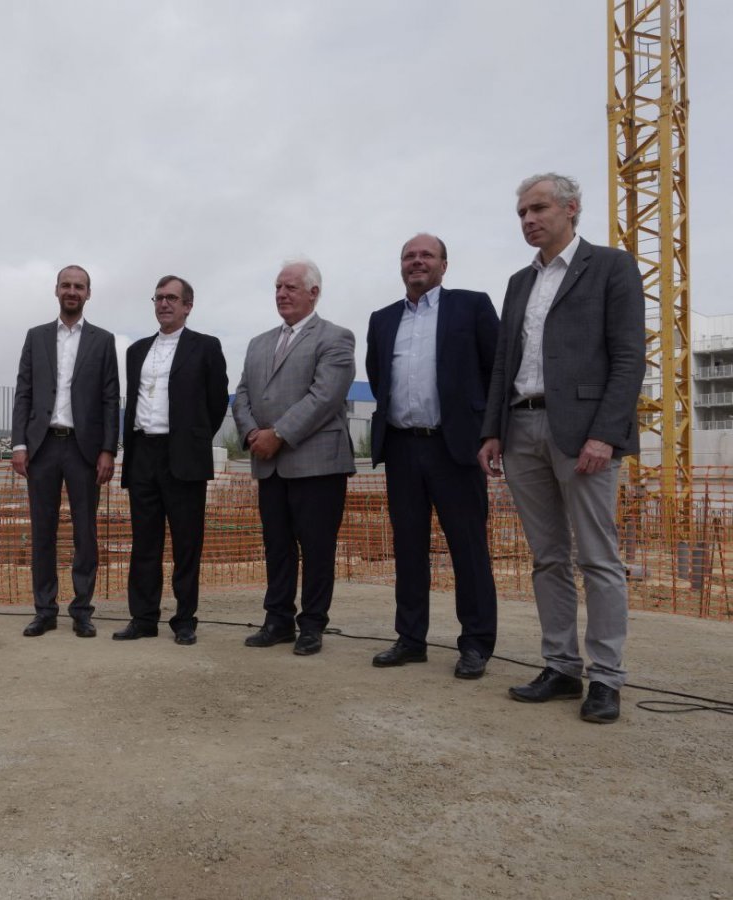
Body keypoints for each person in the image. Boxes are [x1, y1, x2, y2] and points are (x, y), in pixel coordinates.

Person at [478, 173, 645, 723]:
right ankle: (560, 666)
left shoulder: (612, 267)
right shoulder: (517, 283)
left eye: (539, 208)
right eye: (522, 212)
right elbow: (505, 361)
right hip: (522, 428)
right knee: (546, 557)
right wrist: (492, 430)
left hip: (583, 432)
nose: (528, 219)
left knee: (599, 558)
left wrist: (606, 433)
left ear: (571, 209)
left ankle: (607, 678)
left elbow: (627, 357)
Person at [365, 234, 499, 678]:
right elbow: (377, 375)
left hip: (455, 447)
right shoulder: (383, 319)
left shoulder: (471, 306)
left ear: (445, 263)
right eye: (409, 256)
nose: (416, 261)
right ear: (400, 265)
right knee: (407, 548)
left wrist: (491, 433)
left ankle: (476, 643)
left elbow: (496, 370)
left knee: (468, 548)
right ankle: (410, 638)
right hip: (403, 447)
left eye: (426, 255)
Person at [232, 259, 356, 656]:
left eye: (291, 287)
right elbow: (243, 395)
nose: (282, 294)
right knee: (277, 545)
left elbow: (325, 397)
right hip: (269, 466)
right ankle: (278, 620)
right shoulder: (258, 343)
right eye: (277, 287)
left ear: (313, 293)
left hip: (317, 463)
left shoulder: (336, 338)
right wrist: (253, 433)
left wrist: (279, 435)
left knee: (317, 548)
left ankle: (313, 625)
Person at [114, 275, 228, 645]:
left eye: (172, 298)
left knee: (186, 544)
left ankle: (184, 620)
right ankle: (143, 618)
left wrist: (193, 440)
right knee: (144, 543)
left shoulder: (205, 347)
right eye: (159, 298)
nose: (164, 304)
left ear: (187, 306)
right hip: (143, 455)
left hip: (183, 458)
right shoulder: (137, 351)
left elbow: (216, 403)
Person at [11, 265, 120, 638]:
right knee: (42, 532)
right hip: (41, 448)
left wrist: (108, 449)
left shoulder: (103, 341)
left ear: (88, 293)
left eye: (79, 286)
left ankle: (82, 610)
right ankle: (44, 610)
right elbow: (23, 391)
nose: (72, 291)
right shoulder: (36, 337)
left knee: (85, 534)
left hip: (83, 450)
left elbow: (110, 398)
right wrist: (19, 444)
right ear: (56, 290)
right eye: (66, 285)